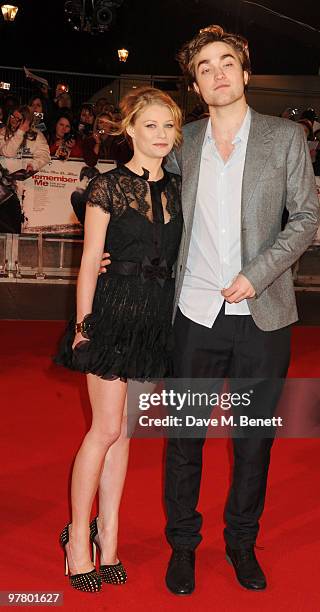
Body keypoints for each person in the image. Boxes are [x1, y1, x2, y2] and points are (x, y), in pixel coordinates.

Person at [100, 25, 319, 594]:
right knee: (185, 440)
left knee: (253, 440)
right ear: (196, 84)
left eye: (227, 63)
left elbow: (305, 218)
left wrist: (257, 272)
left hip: (264, 318)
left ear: (245, 73)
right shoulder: (183, 145)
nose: (218, 73)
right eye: (205, 67)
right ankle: (183, 547)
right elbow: (148, 198)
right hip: (192, 318)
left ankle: (242, 544)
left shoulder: (284, 138)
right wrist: (115, 256)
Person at [54, 86, 183, 592]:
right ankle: (76, 543)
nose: (161, 135)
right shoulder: (105, 187)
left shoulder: (179, 189)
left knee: (126, 434)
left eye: (169, 127)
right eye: (150, 125)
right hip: (111, 317)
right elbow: (88, 263)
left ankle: (109, 541)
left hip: (156, 321)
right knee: (104, 429)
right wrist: (84, 326)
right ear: (129, 130)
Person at [0, 104, 50, 172]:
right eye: (12, 116)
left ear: (27, 121)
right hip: (6, 177)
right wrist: (20, 132)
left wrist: (33, 165)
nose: (13, 120)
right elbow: (8, 152)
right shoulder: (3, 132)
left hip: (26, 178)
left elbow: (44, 155)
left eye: (18, 118)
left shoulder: (37, 135)